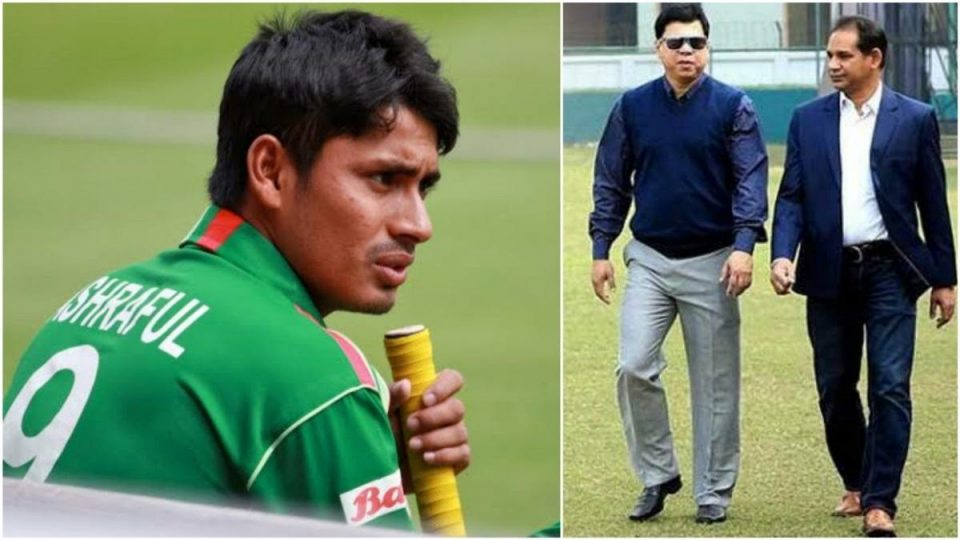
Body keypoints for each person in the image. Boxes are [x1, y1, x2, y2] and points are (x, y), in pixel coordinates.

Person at [3, 10, 470, 531]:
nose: (419, 225)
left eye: (423, 188)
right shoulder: (313, 378)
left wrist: (353, 466)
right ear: (270, 170)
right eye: (383, 179)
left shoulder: (91, 303)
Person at [770, 15, 956, 538]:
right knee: (834, 387)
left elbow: (932, 202)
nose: (833, 64)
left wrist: (945, 279)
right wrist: (782, 254)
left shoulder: (914, 118)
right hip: (828, 270)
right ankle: (856, 481)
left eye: (844, 55)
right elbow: (792, 196)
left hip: (891, 270)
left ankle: (880, 502)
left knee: (890, 385)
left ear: (874, 58)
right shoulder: (807, 120)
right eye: (830, 55)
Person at [589, 3, 767, 525]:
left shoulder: (734, 106)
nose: (687, 51)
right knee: (633, 365)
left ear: (707, 48)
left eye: (697, 42)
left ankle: (713, 491)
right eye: (676, 43)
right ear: (658, 49)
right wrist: (601, 249)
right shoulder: (632, 107)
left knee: (715, 384)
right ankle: (657, 475)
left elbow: (751, 179)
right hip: (649, 258)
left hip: (713, 260)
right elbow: (611, 180)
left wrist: (744, 245)